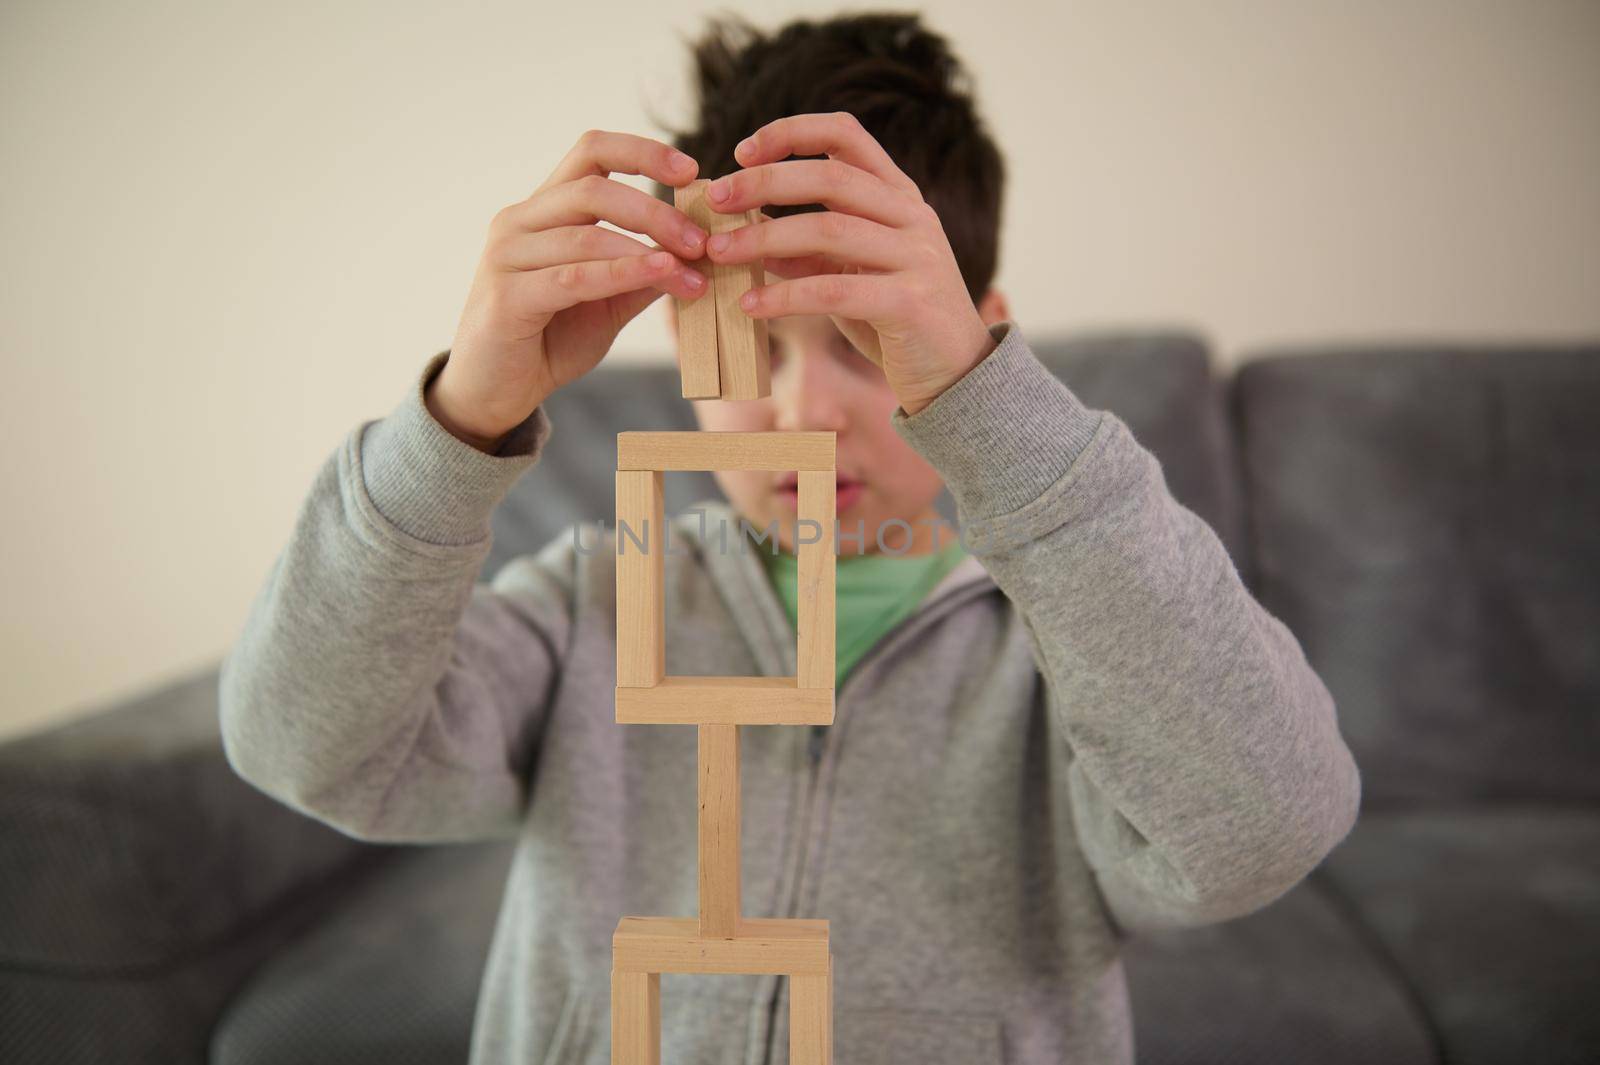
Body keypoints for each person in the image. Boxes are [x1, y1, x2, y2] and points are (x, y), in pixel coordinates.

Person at [219, 12, 1360, 1064]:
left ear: (978, 339)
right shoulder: (594, 609)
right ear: (684, 347)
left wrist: (991, 410)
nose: (809, 412)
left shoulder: (1069, 659)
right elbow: (304, 747)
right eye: (755, 353)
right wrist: (458, 421)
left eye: (868, 341)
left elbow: (1266, 826)